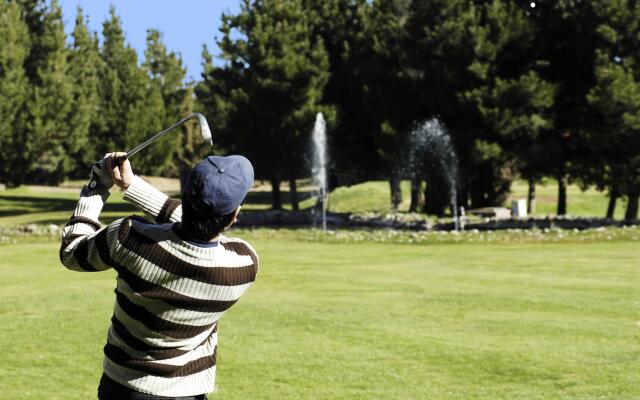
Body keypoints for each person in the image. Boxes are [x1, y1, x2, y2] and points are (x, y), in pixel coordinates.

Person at [59, 152, 259, 400]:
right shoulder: (244, 264)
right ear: (234, 216)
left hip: (122, 389)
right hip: (189, 393)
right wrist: (132, 185)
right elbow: (194, 230)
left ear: (185, 194)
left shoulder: (129, 236)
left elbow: (72, 252)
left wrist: (97, 187)